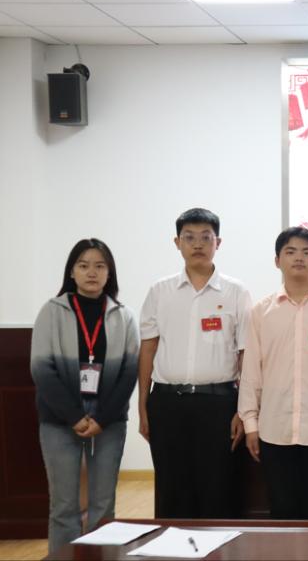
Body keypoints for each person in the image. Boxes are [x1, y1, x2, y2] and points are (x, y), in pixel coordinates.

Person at [138, 208, 252, 518]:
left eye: (206, 237)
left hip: (219, 404)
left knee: (218, 488)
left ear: (218, 243)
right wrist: (143, 405)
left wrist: (244, 411)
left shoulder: (236, 292)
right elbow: (148, 349)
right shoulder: (160, 291)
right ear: (177, 243)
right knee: (171, 488)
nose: (197, 244)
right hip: (167, 403)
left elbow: (246, 355)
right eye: (189, 237)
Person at [31, 239, 139, 553]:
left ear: (109, 273)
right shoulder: (52, 312)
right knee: (64, 506)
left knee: (103, 506)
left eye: (100, 266)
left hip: (109, 421)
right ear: (72, 272)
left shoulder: (123, 316)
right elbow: (42, 370)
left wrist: (102, 418)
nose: (92, 272)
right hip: (59, 419)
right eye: (83, 265)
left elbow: (129, 373)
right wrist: (75, 416)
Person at [238, 227, 308, 519]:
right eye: (290, 251)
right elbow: (251, 372)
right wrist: (250, 423)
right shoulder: (261, 311)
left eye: (307, 252)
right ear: (277, 261)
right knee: (283, 513)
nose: (299, 258)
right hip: (275, 429)